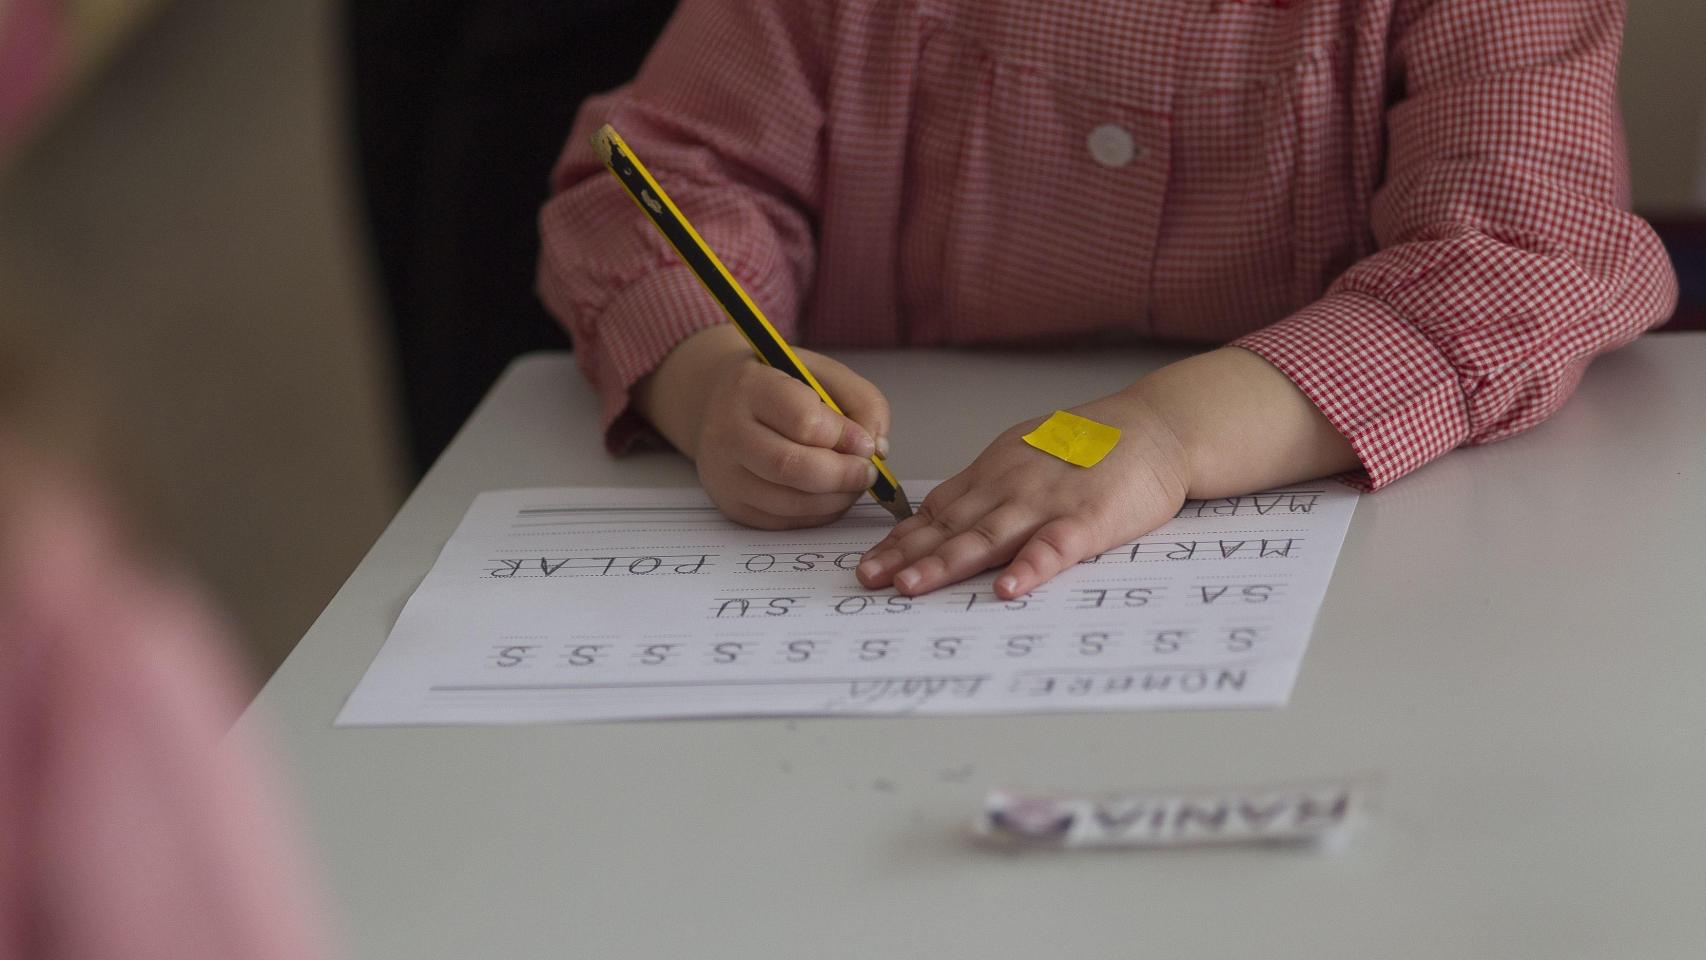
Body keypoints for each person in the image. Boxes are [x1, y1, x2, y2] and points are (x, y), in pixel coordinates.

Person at [537, 0, 1678, 601]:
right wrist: (709, 383)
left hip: (1386, 588)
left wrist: (1175, 430)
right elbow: (662, 183)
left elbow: (1523, 253)